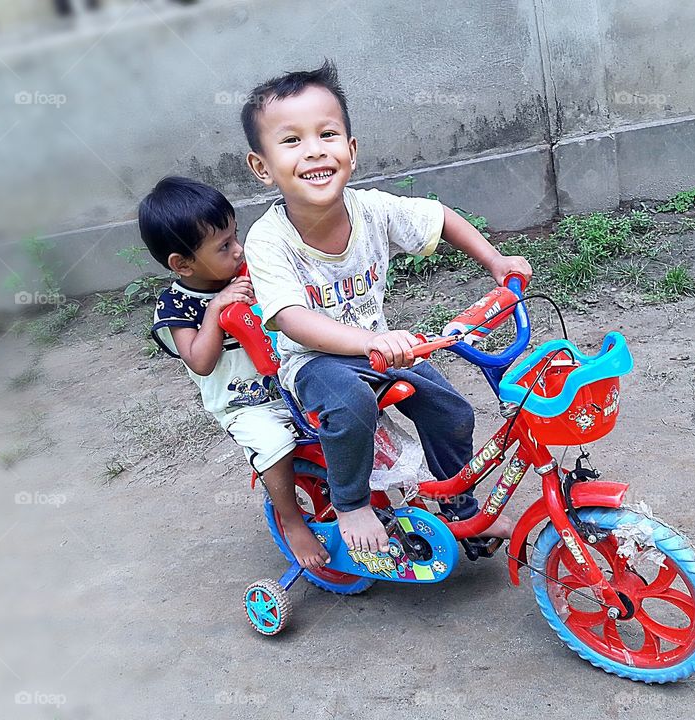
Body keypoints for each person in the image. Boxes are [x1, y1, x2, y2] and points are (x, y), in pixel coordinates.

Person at [239, 61, 532, 555]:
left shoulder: (372, 209)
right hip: (314, 362)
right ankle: (352, 503)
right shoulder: (269, 240)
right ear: (262, 167)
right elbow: (292, 319)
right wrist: (371, 340)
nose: (315, 149)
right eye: (291, 140)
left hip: (383, 351)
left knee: (451, 412)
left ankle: (459, 507)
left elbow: (439, 217)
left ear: (351, 151)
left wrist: (495, 261)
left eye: (327, 134)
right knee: (349, 403)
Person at [138, 176, 329, 570]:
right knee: (275, 443)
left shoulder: (247, 273)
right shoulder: (176, 305)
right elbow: (200, 361)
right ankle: (293, 522)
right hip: (243, 405)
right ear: (182, 264)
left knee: (344, 410)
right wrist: (215, 310)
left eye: (235, 236)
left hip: (289, 381)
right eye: (224, 246)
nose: (238, 249)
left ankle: (357, 501)